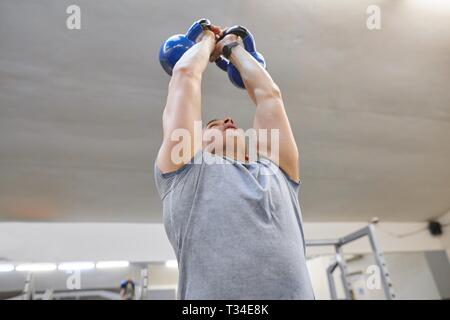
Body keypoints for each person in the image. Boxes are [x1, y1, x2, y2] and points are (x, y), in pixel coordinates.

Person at [154, 24, 314, 299]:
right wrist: (206, 40)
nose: (228, 121)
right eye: (213, 125)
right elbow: (185, 75)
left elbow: (269, 95)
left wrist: (232, 47)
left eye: (230, 122)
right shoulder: (185, 173)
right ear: (195, 144)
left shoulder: (277, 172)